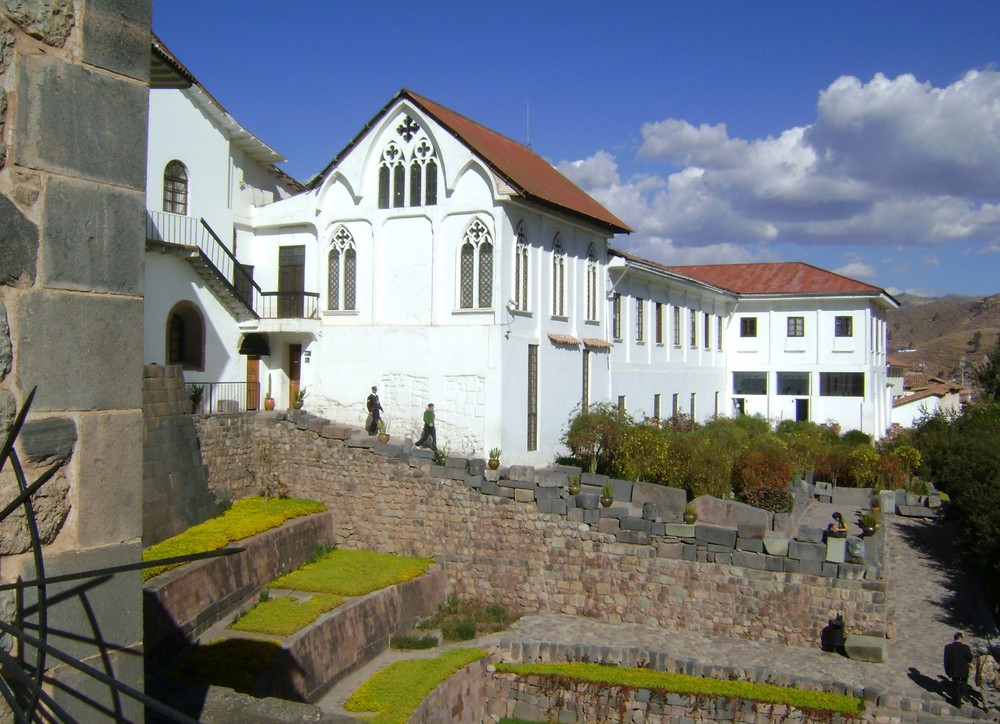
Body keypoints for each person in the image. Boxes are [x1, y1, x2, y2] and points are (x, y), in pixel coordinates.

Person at [945, 631, 974, 706]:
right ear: (960, 638)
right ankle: (962, 695)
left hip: (954, 669)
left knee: (956, 683)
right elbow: (970, 658)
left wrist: (947, 670)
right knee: (964, 681)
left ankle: (957, 701)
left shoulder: (948, 647)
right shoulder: (966, 647)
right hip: (964, 669)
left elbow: (946, 660)